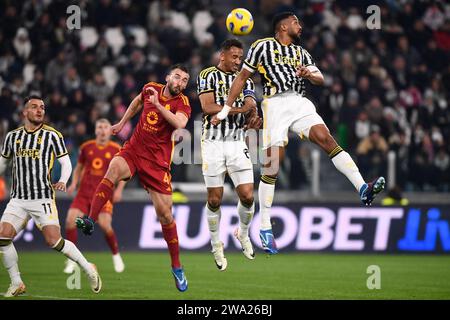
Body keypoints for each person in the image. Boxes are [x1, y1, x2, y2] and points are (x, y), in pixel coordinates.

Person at [219, 12, 385, 254]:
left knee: (327, 139)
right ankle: (264, 226)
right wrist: (227, 107)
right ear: (283, 26)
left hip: (300, 102)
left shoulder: (302, 53)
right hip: (274, 102)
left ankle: (362, 188)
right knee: (274, 162)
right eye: (296, 22)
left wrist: (310, 74)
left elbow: (320, 78)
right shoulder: (262, 46)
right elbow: (243, 77)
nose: (300, 26)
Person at [76, 65, 191, 292]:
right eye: (177, 76)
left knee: (166, 215)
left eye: (185, 80)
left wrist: (159, 105)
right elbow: (138, 102)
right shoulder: (150, 88)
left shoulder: (183, 103)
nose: (180, 82)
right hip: (134, 151)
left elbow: (180, 124)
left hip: (157, 164)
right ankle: (91, 218)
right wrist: (122, 122)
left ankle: (177, 266)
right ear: (168, 77)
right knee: (113, 169)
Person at [0, 95, 101, 297]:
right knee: (2, 237)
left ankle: (88, 268)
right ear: (25, 112)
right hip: (18, 199)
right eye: (34, 107)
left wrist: (63, 179)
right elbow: (3, 163)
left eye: (42, 107)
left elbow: (66, 163)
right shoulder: (12, 137)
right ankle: (17, 282)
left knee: (53, 241)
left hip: (42, 197)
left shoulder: (52, 135)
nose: (39, 110)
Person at [197, 39, 262, 270]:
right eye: (234, 57)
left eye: (240, 57)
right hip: (213, 143)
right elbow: (207, 106)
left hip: (236, 142)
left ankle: (242, 233)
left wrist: (252, 114)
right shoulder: (207, 75)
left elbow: (251, 103)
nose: (238, 61)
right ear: (222, 55)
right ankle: (216, 245)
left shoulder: (245, 78)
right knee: (215, 199)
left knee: (248, 196)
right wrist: (239, 110)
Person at [64, 118, 126, 274]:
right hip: (84, 192)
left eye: (106, 127)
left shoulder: (116, 149)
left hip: (103, 194)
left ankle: (116, 254)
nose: (103, 130)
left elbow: (124, 172)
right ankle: (72, 260)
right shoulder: (86, 147)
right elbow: (79, 168)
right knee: (70, 221)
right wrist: (73, 183)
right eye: (100, 127)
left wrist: (119, 190)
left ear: (110, 131)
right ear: (96, 130)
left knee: (105, 225)